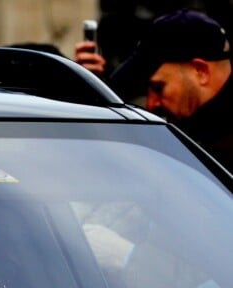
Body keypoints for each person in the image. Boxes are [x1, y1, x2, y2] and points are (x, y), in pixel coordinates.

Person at [76, 10, 233, 171]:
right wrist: (87, 93)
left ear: (201, 71)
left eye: (158, 88)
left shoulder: (212, 146)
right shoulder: (194, 131)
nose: (151, 104)